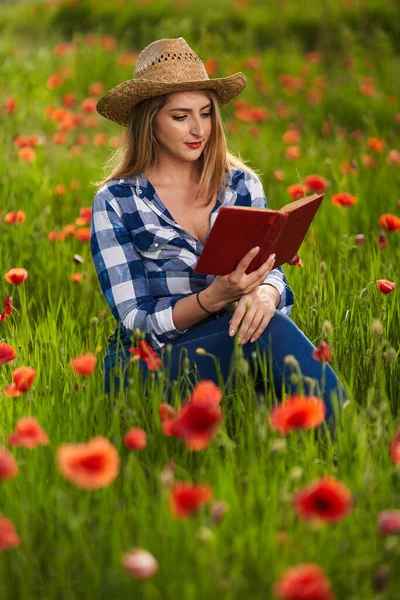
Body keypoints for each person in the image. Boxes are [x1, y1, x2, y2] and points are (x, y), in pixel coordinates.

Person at [90, 37, 347, 424]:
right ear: (149, 121)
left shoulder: (240, 185)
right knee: (267, 335)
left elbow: (269, 268)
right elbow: (136, 321)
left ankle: (297, 430)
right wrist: (212, 298)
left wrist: (265, 292)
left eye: (206, 113)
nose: (199, 129)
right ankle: (351, 435)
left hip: (233, 338)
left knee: (265, 324)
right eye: (180, 117)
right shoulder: (116, 200)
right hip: (147, 362)